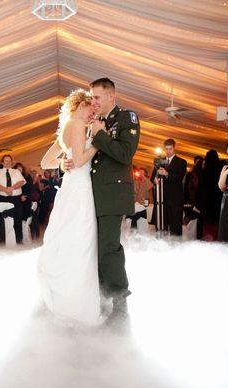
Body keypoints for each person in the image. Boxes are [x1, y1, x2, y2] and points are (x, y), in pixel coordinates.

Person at [61, 78, 140, 310]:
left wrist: (99, 135)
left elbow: (125, 154)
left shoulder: (127, 117)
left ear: (110, 96)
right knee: (94, 247)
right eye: (91, 97)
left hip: (113, 194)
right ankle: (102, 294)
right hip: (92, 194)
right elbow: (83, 155)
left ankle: (118, 299)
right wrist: (66, 162)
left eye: (96, 97)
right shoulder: (96, 122)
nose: (92, 101)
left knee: (108, 247)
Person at [38, 88, 101, 324]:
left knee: (71, 238)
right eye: (90, 109)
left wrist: (62, 162)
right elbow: (82, 158)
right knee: (81, 240)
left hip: (70, 188)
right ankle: (77, 301)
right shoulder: (76, 124)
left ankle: (70, 292)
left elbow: (46, 161)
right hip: (80, 190)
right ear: (81, 106)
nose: (91, 114)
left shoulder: (69, 126)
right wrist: (97, 141)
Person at [152, 138, 187, 236]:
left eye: (170, 149)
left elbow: (179, 178)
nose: (168, 151)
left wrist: (167, 174)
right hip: (161, 200)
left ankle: (176, 248)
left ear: (174, 148)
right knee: (161, 227)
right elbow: (152, 178)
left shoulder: (181, 162)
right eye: (166, 149)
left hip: (175, 200)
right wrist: (155, 179)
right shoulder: (159, 161)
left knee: (175, 227)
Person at [0, 154, 26, 243]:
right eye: (6, 161)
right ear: (2, 162)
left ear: (12, 162)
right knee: (2, 219)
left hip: (15, 200)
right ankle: (2, 239)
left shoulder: (16, 172)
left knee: (17, 219)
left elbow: (22, 182)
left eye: (9, 161)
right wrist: (5, 189)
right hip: (2, 199)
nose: (8, 162)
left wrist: (12, 188)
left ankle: (18, 239)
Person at [198, 149, 224, 240]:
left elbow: (200, 187)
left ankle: (208, 241)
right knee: (218, 222)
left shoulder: (205, 170)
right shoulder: (221, 168)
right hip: (218, 198)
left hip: (207, 200)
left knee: (207, 224)